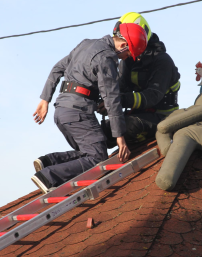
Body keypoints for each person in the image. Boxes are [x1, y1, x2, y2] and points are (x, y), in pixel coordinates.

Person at [31, 23, 148, 193]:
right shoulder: (107, 58)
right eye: (129, 54)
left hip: (62, 111)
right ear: (123, 45)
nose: (126, 58)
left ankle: (49, 162)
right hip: (78, 113)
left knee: (89, 152)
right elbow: (112, 98)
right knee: (98, 158)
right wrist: (120, 137)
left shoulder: (85, 44)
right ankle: (49, 176)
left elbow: (58, 68)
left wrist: (45, 99)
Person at [98, 12, 181, 147]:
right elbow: (120, 87)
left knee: (129, 126)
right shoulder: (127, 60)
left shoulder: (162, 60)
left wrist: (119, 100)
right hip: (137, 114)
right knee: (98, 132)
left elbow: (152, 96)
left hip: (164, 118)